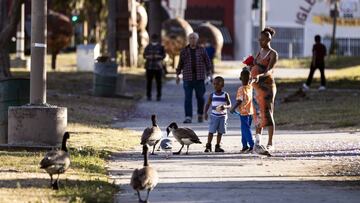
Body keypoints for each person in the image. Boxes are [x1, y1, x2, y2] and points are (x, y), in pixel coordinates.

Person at [250, 27, 278, 150]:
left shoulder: (273, 54)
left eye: (262, 39)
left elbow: (269, 71)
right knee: (257, 113)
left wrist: (258, 76)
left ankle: (270, 143)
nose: (260, 41)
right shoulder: (259, 52)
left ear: (268, 39)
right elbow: (256, 65)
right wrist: (250, 65)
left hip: (267, 87)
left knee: (267, 112)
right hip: (256, 86)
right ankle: (258, 141)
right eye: (259, 39)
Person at [176, 32, 213, 123]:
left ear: (197, 40)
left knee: (200, 97)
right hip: (187, 78)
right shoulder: (184, 51)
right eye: (191, 38)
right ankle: (188, 117)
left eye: (194, 38)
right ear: (189, 40)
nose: (192, 39)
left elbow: (208, 63)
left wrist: (209, 74)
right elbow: (180, 64)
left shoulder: (202, 50)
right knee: (187, 98)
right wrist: (177, 75)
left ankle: (200, 114)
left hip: (200, 78)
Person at [204, 76, 231, 153]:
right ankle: (208, 146)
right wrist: (205, 113)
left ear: (222, 85)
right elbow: (208, 104)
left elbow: (229, 105)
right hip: (214, 116)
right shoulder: (212, 95)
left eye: (218, 84)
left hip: (222, 116)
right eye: (214, 84)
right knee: (211, 131)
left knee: (220, 132)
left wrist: (224, 106)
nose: (215, 86)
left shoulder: (225, 95)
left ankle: (217, 146)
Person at [230, 68, 254, 153]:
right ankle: (244, 146)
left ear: (240, 78)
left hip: (243, 113)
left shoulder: (241, 89)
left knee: (246, 129)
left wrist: (233, 108)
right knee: (245, 129)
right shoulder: (250, 87)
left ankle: (252, 145)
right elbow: (252, 80)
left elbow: (239, 100)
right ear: (249, 78)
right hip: (250, 112)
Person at [143, 34, 166, 101]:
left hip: (158, 67)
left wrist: (158, 57)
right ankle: (148, 95)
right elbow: (144, 55)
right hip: (149, 67)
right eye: (153, 38)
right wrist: (149, 57)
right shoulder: (148, 47)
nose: (154, 39)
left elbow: (164, 55)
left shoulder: (161, 47)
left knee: (158, 82)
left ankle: (158, 96)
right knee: (149, 82)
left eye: (154, 38)